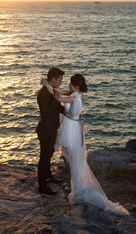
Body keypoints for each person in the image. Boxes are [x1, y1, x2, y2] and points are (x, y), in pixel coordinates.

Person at [43, 73, 129, 215]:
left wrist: (47, 86)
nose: (68, 85)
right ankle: (74, 184)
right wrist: (51, 87)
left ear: (75, 85)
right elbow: (61, 92)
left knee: (70, 156)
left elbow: (57, 97)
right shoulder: (75, 94)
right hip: (71, 126)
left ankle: (76, 186)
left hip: (71, 129)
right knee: (67, 155)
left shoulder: (73, 97)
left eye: (71, 83)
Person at [36, 67, 65, 195]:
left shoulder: (52, 91)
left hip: (52, 129)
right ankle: (42, 186)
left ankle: (48, 176)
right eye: (59, 80)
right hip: (46, 130)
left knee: (49, 153)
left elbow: (58, 107)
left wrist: (70, 113)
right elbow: (47, 111)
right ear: (52, 80)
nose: (61, 83)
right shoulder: (43, 93)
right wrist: (55, 96)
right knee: (44, 157)